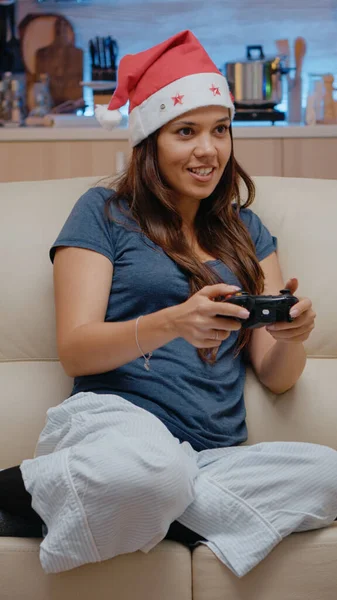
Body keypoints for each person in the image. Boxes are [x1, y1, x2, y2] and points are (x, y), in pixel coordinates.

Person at [1, 29, 337, 577]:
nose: (209, 150)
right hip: (117, 427)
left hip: (211, 454)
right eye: (186, 131)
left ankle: (142, 505)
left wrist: (290, 339)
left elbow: (277, 377)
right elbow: (76, 351)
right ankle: (55, 495)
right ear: (151, 139)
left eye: (220, 130)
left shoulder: (247, 231)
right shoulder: (104, 213)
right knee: (153, 470)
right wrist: (172, 322)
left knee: (328, 474)